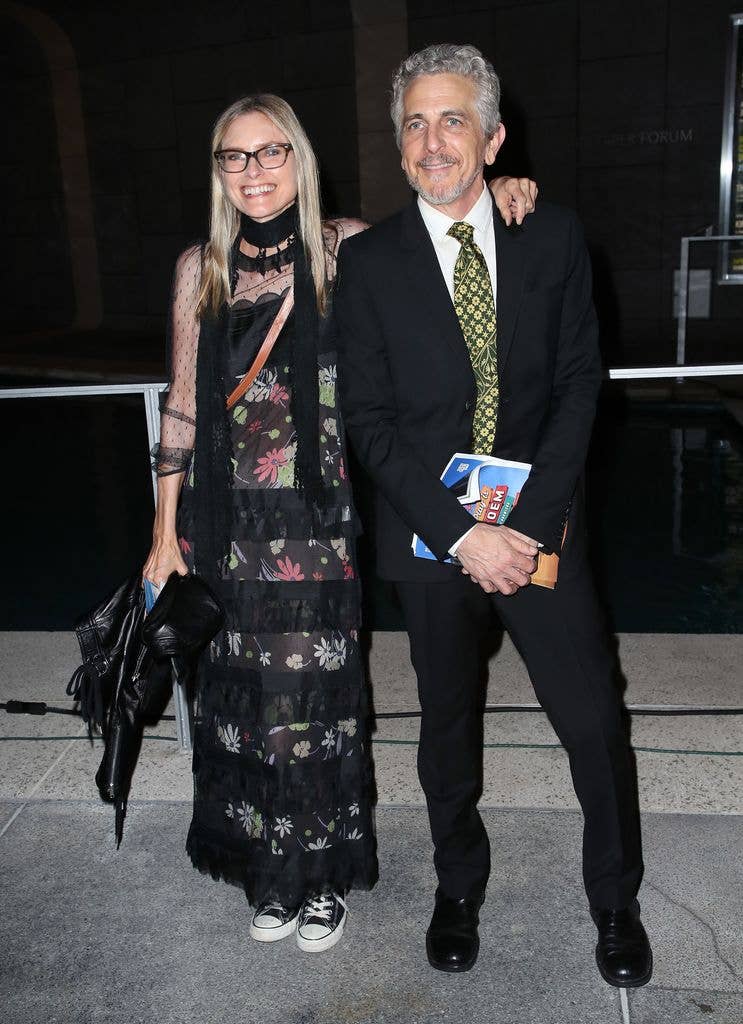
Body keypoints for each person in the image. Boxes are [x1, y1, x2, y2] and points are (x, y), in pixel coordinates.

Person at [142, 91, 537, 953]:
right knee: (240, 709)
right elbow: (179, 410)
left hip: (315, 523)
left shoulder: (346, 249)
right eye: (234, 157)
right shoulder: (198, 269)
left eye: (270, 152)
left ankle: (317, 879)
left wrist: (501, 195)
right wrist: (163, 534)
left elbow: (445, 235)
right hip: (223, 526)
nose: (253, 172)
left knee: (312, 704)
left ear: (300, 158)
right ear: (218, 171)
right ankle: (267, 871)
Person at [335, 43, 652, 985]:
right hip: (431, 540)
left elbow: (576, 385)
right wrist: (464, 532)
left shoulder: (550, 236)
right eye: (415, 124)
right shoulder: (368, 262)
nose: (433, 142)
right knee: (445, 727)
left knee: (592, 718)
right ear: (399, 145)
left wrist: (528, 524)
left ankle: (614, 901)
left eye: (453, 120)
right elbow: (369, 422)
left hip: (542, 529)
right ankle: (456, 886)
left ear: (493, 136)